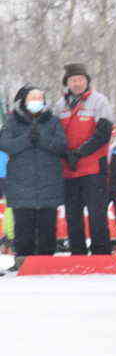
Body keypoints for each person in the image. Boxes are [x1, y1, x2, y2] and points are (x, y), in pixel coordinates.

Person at [0, 85, 68, 271]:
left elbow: (62, 146)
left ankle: (46, 260)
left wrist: (43, 140)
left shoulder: (52, 121)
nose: (37, 101)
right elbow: (5, 144)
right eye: (32, 97)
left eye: (40, 97)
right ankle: (23, 261)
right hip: (21, 182)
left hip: (48, 181)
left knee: (47, 225)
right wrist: (26, 139)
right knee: (23, 225)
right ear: (24, 100)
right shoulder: (13, 121)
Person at [55, 63, 114, 256]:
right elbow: (55, 135)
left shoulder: (99, 101)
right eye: (73, 80)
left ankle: (101, 253)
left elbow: (103, 134)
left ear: (87, 81)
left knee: (97, 213)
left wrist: (79, 153)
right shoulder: (59, 105)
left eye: (81, 79)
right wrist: (66, 154)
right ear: (67, 83)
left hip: (93, 169)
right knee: (73, 215)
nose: (77, 83)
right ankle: (77, 252)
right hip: (69, 169)